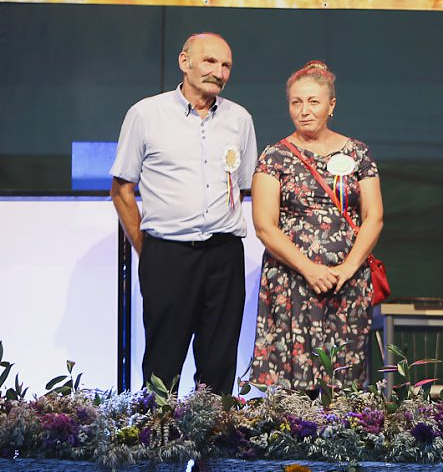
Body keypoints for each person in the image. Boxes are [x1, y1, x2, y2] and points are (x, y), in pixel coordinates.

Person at [110, 32, 257, 395]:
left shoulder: (240, 119)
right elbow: (122, 190)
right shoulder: (146, 114)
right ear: (184, 61)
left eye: (226, 65)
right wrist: (148, 249)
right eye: (210, 61)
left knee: (219, 363)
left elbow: (240, 186)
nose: (218, 72)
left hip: (224, 254)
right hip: (168, 254)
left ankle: (214, 431)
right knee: (163, 363)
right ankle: (159, 430)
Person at [249, 61, 383, 392]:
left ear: (331, 105)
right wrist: (309, 269)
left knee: (344, 380)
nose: (304, 110)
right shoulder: (275, 156)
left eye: (313, 102)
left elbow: (374, 217)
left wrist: (348, 268)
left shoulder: (358, 153)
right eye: (296, 102)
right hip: (292, 281)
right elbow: (264, 226)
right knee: (293, 382)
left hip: (346, 283)